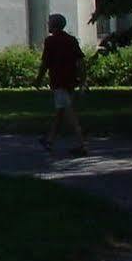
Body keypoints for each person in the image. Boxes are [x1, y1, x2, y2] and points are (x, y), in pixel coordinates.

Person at [36, 12, 88, 156]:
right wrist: (83, 80)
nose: (48, 25)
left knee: (69, 113)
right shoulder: (71, 40)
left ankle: (81, 144)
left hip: (59, 82)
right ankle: (49, 141)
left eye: (49, 22)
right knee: (60, 112)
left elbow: (45, 63)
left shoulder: (50, 41)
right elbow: (81, 61)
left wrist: (38, 79)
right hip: (70, 80)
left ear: (54, 25)